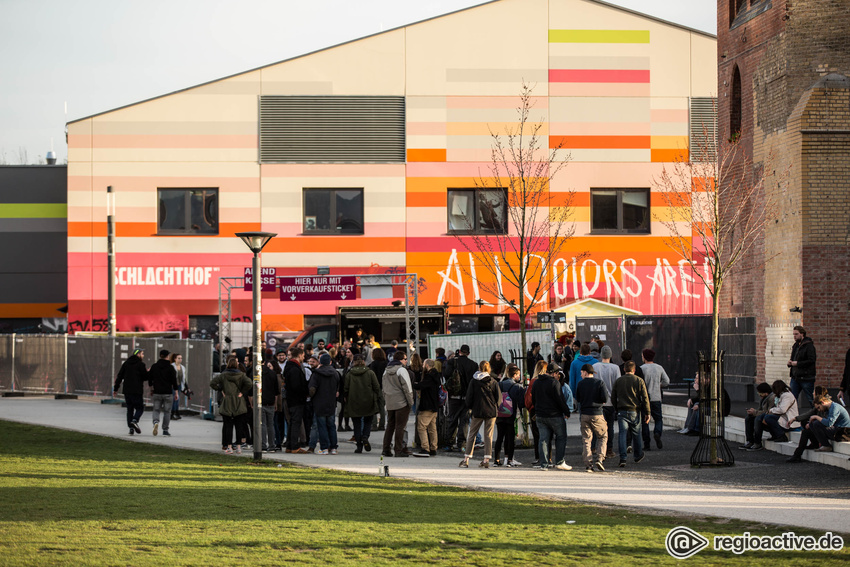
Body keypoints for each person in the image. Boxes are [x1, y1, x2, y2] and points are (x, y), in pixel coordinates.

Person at [530, 362, 572, 471]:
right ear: (554, 373)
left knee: (543, 439)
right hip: (555, 415)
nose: (558, 375)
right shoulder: (555, 383)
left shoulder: (536, 383)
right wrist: (567, 412)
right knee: (561, 437)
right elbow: (560, 400)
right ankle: (560, 461)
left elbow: (533, 399)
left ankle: (543, 464)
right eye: (557, 373)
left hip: (540, 415)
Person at [458, 360, 500, 468]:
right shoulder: (493, 381)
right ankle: (486, 459)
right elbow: (499, 398)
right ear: (488, 368)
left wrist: (471, 407)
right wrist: (495, 406)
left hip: (477, 410)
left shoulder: (474, 381)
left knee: (472, 433)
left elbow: (469, 398)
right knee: (488, 435)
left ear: (479, 368)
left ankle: (466, 459)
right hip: (491, 411)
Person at [788, 394, 850, 462]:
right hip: (835, 430)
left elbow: (829, 423)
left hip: (842, 432)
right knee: (807, 430)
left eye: (818, 407)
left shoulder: (835, 407)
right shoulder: (828, 408)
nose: (819, 410)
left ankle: (826, 445)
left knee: (816, 423)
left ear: (822, 402)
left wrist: (816, 417)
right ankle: (797, 455)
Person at [611, 361, 650, 468]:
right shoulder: (639, 380)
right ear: (634, 370)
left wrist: (616, 407)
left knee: (622, 434)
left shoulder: (619, 381)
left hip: (622, 410)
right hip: (635, 410)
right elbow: (645, 397)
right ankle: (637, 455)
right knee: (636, 433)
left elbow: (613, 396)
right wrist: (647, 412)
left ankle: (623, 457)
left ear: (624, 369)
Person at [210, 357, 252, 454]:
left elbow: (212, 383)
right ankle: (238, 447)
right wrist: (242, 392)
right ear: (237, 365)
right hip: (239, 401)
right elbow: (249, 383)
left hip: (227, 401)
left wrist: (221, 390)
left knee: (228, 426)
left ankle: (228, 446)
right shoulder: (241, 375)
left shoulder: (223, 375)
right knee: (239, 426)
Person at [442, 344, 478, 452]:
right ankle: (462, 444)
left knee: (452, 419)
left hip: (454, 396)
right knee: (464, 421)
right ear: (469, 353)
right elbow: (474, 382)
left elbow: (447, 375)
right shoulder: (473, 365)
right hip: (467, 397)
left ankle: (449, 443)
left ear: (460, 351)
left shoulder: (452, 362)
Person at [575, 363, 608, 472]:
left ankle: (588, 464)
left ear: (585, 372)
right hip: (597, 413)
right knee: (602, 436)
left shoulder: (580, 384)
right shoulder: (599, 383)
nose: (581, 375)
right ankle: (600, 458)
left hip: (584, 414)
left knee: (586, 440)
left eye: (581, 373)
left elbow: (578, 398)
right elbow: (605, 398)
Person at [344, 354, 381, 453]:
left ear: (354, 362)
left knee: (356, 424)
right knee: (368, 421)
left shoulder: (349, 374)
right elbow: (376, 387)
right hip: (368, 400)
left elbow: (345, 389)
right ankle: (365, 436)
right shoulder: (370, 373)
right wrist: (378, 398)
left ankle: (359, 446)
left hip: (354, 401)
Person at [382, 351, 414, 458]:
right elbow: (407, 388)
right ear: (400, 360)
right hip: (401, 403)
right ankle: (398, 450)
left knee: (390, 426)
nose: (406, 361)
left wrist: (386, 400)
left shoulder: (386, 371)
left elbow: (384, 388)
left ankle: (386, 449)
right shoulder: (402, 370)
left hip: (390, 402)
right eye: (405, 359)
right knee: (400, 427)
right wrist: (410, 402)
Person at [785, 385, 829, 461]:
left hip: (825, 430)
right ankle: (812, 444)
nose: (812, 394)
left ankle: (797, 455)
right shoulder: (818, 404)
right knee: (804, 421)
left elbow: (826, 421)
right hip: (819, 428)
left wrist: (811, 423)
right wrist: (795, 419)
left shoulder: (826, 405)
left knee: (806, 432)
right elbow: (808, 414)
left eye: (814, 392)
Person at [308, 354, 340, 455]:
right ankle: (333, 447)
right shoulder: (335, 373)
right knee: (331, 425)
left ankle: (324, 448)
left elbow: (312, 389)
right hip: (331, 403)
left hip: (319, 403)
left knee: (321, 426)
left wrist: (311, 396)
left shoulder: (316, 374)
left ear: (320, 362)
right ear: (330, 362)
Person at [493, 364, 524, 467]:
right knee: (510, 437)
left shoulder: (500, 384)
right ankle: (509, 459)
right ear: (514, 375)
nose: (519, 377)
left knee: (499, 437)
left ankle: (496, 460)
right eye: (518, 375)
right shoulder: (517, 387)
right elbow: (521, 403)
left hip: (500, 414)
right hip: (511, 414)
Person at [593, 346, 620, 459]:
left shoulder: (595, 366)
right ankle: (609, 449)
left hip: (598, 403)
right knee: (610, 426)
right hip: (611, 402)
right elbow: (617, 385)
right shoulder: (615, 368)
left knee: (597, 427)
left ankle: (596, 449)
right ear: (610, 355)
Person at [640, 349, 670, 450]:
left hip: (645, 399)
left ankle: (646, 444)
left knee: (645, 421)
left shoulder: (641, 369)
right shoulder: (659, 368)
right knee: (658, 419)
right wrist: (659, 385)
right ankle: (657, 433)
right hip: (656, 397)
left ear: (644, 357)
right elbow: (667, 381)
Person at [113, 348, 148, 435]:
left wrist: (115, 389)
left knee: (130, 409)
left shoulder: (126, 363)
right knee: (140, 408)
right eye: (142, 354)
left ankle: (131, 428)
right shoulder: (141, 364)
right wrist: (148, 372)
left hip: (127, 390)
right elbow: (145, 377)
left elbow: (119, 376)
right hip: (137, 390)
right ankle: (135, 420)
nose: (143, 356)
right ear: (138, 354)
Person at [413, 359, 441, 457]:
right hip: (434, 406)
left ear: (427, 365)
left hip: (427, 406)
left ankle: (425, 448)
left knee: (421, 427)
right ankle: (433, 448)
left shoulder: (429, 376)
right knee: (432, 428)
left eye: (424, 364)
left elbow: (421, 386)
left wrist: (413, 384)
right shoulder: (436, 375)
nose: (422, 365)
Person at [284, 346, 309, 454]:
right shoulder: (295, 368)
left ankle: (290, 445)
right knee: (295, 423)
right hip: (296, 400)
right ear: (299, 355)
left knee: (292, 423)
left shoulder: (290, 367)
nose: (304, 357)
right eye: (303, 355)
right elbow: (296, 386)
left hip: (292, 399)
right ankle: (294, 446)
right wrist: (304, 392)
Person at [148, 349, 178, 437]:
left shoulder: (154, 366)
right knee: (167, 412)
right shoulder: (170, 367)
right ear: (167, 356)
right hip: (168, 393)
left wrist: (151, 388)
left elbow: (150, 378)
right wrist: (176, 392)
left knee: (156, 409)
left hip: (157, 392)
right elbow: (174, 381)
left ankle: (156, 421)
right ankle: (165, 429)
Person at [759, 379, 798, 445]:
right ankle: (774, 435)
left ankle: (781, 436)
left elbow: (782, 410)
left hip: (789, 419)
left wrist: (771, 410)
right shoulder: (781, 395)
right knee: (762, 417)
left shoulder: (787, 396)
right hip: (783, 417)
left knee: (769, 418)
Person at [740, 382, 775, 450]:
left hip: (769, 418)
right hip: (763, 415)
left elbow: (769, 411)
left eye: (760, 393)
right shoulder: (763, 398)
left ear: (766, 392)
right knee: (748, 418)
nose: (759, 395)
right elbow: (760, 409)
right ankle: (750, 441)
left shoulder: (772, 398)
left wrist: (755, 412)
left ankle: (757, 442)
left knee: (758, 419)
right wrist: (753, 411)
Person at [788, 325, 816, 407]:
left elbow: (811, 360)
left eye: (796, 334)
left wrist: (797, 363)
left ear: (802, 334)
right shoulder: (795, 345)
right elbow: (794, 358)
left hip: (806, 377)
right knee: (792, 399)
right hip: (795, 377)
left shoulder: (809, 345)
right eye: (793, 334)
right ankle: (793, 417)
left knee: (811, 399)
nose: (794, 336)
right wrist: (790, 363)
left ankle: (817, 416)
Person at [260, 351, 280, 452]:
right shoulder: (273, 374)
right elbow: (277, 391)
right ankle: (272, 445)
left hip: (261, 401)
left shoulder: (257, 373)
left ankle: (263, 445)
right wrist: (275, 403)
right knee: (270, 425)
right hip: (271, 402)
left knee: (262, 424)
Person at [369, 347, 389, 431]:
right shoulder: (386, 364)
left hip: (375, 387)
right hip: (384, 387)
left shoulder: (373, 364)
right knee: (382, 407)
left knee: (374, 406)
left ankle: (374, 424)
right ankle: (382, 424)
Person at [169, 352, 186, 421]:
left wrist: (186, 387)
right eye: (178, 358)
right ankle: (173, 413)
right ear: (175, 359)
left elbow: (183, 378)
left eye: (181, 358)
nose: (180, 360)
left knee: (177, 399)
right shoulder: (172, 366)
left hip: (179, 385)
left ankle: (176, 412)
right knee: (174, 399)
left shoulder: (182, 367)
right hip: (173, 385)